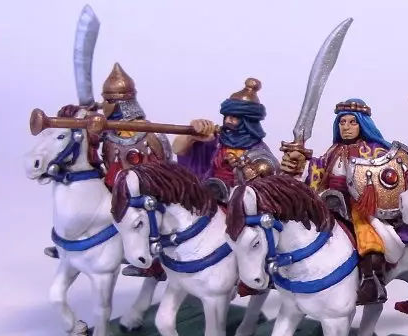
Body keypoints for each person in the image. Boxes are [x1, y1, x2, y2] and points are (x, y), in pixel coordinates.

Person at [43, 63, 172, 281]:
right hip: (111, 185)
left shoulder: (150, 135)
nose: (104, 105)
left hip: (142, 190)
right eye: (104, 101)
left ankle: (154, 263)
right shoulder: (107, 130)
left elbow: (164, 164)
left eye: (108, 101)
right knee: (85, 203)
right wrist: (83, 113)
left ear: (122, 103)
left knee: (146, 219)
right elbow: (85, 138)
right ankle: (70, 247)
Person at [280, 98, 395, 305]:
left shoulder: (375, 151)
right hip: (329, 201)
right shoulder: (333, 150)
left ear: (362, 124)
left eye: (352, 122)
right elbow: (318, 172)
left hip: (358, 205)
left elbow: (385, 178)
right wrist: (301, 162)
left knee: (368, 236)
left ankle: (371, 281)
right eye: (342, 122)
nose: (346, 127)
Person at [174, 78, 279, 204]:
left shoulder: (259, 151)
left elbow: (266, 184)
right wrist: (192, 137)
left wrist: (245, 171)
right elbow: (178, 149)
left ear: (248, 122)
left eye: (234, 117)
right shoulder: (216, 142)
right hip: (209, 196)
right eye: (227, 116)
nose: (228, 121)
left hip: (240, 203)